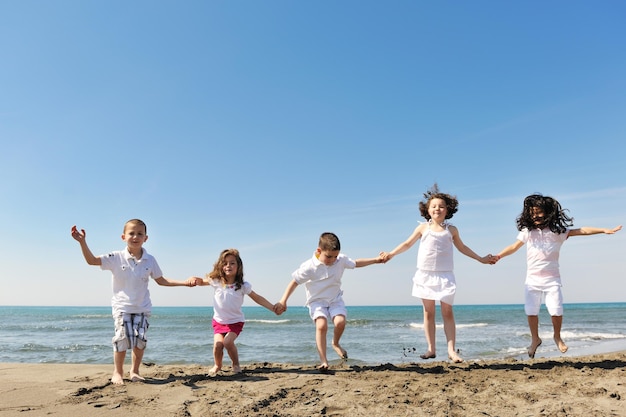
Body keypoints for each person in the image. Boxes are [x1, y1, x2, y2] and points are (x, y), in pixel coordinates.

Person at [495, 194, 622, 358]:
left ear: (547, 213)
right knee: (531, 311)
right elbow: (514, 246)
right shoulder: (528, 232)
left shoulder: (558, 232)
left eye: (539, 212)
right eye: (533, 213)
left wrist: (603, 230)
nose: (536, 216)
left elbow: (582, 230)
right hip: (532, 279)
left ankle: (557, 336)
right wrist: (498, 256)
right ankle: (535, 339)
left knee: (556, 310)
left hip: (552, 279)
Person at [70, 219, 196, 385]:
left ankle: (135, 371)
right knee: (121, 338)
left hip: (142, 307)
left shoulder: (150, 260)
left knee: (140, 339)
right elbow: (92, 261)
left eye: (140, 234)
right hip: (122, 307)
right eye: (131, 233)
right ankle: (118, 372)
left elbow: (161, 280)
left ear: (146, 238)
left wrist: (184, 282)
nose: (135, 236)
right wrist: (82, 242)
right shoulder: (115, 257)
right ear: (123, 236)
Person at [380, 184, 495, 363]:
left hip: (445, 276)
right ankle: (431, 349)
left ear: (447, 209)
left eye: (441, 206)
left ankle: (451, 350)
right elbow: (407, 244)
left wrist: (481, 258)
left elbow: (463, 248)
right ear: (428, 210)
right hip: (425, 275)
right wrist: (391, 254)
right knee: (428, 312)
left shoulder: (452, 230)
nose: (437, 209)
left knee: (447, 312)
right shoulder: (422, 228)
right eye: (433, 206)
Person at [275, 232, 384, 370]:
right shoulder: (309, 267)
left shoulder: (341, 260)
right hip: (317, 301)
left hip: (335, 300)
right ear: (319, 251)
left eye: (335, 256)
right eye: (328, 256)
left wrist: (375, 260)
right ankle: (324, 361)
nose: (333, 260)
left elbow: (356, 263)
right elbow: (294, 282)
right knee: (321, 326)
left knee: (340, 322)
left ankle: (336, 343)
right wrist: (283, 300)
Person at [190, 248, 279, 376]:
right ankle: (217, 365)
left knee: (227, 342)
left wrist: (272, 308)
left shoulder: (242, 286)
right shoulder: (216, 281)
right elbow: (201, 282)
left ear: (238, 266)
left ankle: (236, 364)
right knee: (218, 345)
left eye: (232, 263)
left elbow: (257, 298)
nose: (228, 266)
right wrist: (195, 280)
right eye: (225, 263)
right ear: (221, 266)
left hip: (235, 322)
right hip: (219, 322)